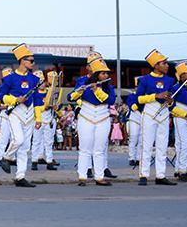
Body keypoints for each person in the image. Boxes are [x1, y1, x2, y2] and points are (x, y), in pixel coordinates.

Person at [0, 44, 42, 188]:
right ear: (23, 61)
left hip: (30, 115)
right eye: (31, 60)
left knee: (25, 147)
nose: (33, 63)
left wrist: (38, 118)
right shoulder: (10, 79)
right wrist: (15, 100)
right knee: (18, 139)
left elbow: (38, 101)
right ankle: (6, 157)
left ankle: (20, 176)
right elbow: (0, 96)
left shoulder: (34, 80)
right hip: (16, 112)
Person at [135, 49, 181, 186]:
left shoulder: (170, 80)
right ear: (155, 65)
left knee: (162, 146)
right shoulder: (144, 80)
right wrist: (156, 96)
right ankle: (143, 174)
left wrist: (170, 100)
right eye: (164, 63)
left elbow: (172, 98)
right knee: (147, 144)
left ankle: (160, 175)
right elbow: (138, 98)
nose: (167, 66)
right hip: (150, 113)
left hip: (164, 114)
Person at [71, 57, 116, 186]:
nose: (106, 75)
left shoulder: (108, 87)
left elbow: (111, 100)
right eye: (103, 73)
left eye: (106, 73)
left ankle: (99, 177)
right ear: (96, 74)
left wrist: (97, 90)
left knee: (99, 149)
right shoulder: (83, 82)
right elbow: (70, 97)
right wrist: (78, 92)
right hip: (86, 117)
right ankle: (82, 176)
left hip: (103, 118)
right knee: (84, 148)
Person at [33, 70, 60, 171]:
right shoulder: (34, 94)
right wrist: (45, 107)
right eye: (39, 82)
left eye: (43, 81)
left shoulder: (50, 92)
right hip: (38, 121)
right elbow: (35, 108)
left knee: (49, 142)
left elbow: (55, 104)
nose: (42, 84)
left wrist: (56, 107)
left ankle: (49, 161)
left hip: (49, 120)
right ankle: (34, 161)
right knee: (36, 141)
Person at [0, 67, 14, 165]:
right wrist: (3, 106)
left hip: (16, 116)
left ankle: (12, 157)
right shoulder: (0, 91)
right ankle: (1, 157)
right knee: (4, 138)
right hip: (5, 116)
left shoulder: (16, 90)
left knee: (14, 138)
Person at [125, 83, 142, 167]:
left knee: (141, 139)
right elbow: (132, 106)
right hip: (134, 118)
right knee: (133, 137)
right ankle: (132, 158)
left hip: (144, 118)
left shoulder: (147, 95)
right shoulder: (132, 95)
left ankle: (139, 158)